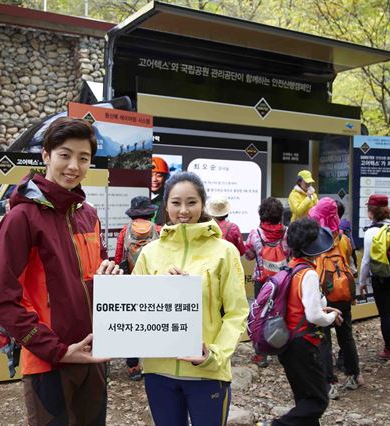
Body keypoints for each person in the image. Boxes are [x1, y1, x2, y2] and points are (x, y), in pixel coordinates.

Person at [0, 117, 122, 425]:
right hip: (48, 361)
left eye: (83, 157)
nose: (73, 165)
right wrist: (57, 350)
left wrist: (108, 274)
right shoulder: (22, 218)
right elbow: (3, 300)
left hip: (93, 355)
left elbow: (94, 273)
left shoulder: (87, 214)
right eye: (65, 155)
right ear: (46, 156)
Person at [132, 171, 249, 426]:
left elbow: (237, 313)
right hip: (158, 372)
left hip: (207, 372)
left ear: (203, 204)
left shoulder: (224, 252)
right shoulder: (150, 252)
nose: (183, 210)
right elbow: (135, 308)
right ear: (166, 206)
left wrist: (214, 355)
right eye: (175, 203)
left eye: (191, 202)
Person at [264, 218, 343, 426]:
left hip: (287, 341)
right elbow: (314, 316)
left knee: (305, 398)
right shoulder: (308, 273)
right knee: (318, 400)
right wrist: (332, 317)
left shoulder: (290, 268)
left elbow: (299, 304)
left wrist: (321, 308)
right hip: (304, 344)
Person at [309, 198, 363, 401]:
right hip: (343, 293)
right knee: (346, 335)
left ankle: (329, 383)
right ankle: (352, 375)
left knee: (324, 340)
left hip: (324, 293)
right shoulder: (343, 238)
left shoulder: (315, 239)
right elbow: (349, 261)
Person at [358, 194, 390, 360]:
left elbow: (366, 261)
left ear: (371, 212)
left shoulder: (372, 232)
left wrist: (362, 282)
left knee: (385, 314)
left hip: (381, 277)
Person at [114, 195, 160, 381]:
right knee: (156, 318)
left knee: (133, 323)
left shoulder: (125, 231)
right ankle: (155, 360)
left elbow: (118, 259)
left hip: (132, 283)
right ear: (151, 212)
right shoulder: (159, 230)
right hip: (155, 282)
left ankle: (133, 366)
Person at [245, 197, 289, 367]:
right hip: (283, 281)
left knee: (260, 316)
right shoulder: (287, 233)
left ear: (261, 215)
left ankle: (261, 355)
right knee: (282, 313)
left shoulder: (255, 234)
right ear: (280, 216)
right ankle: (282, 349)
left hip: (262, 281)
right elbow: (290, 253)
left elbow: (249, 256)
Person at [150, 156, 169, 225]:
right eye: (150, 175)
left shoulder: (169, 200)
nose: (154, 179)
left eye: (159, 175)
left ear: (165, 178)